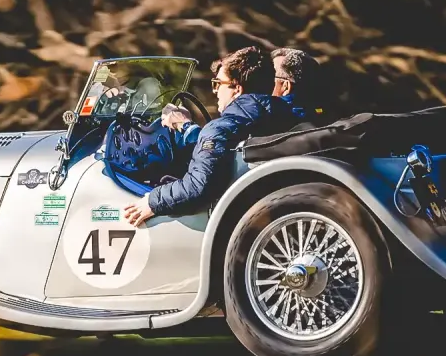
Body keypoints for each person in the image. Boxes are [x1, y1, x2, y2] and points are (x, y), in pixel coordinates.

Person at [123, 46, 320, 226]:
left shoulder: (220, 129)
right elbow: (222, 146)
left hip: (231, 221)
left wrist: (152, 200)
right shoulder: (291, 118)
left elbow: (197, 187)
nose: (215, 90)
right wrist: (188, 128)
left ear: (237, 89)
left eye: (218, 83)